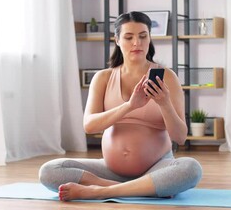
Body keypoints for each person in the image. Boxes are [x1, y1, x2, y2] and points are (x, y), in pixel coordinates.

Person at [39, 11, 202, 201]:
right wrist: (130, 106)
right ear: (116, 39)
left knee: (191, 169)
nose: (137, 43)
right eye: (129, 37)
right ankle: (138, 189)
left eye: (143, 36)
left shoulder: (167, 77)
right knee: (50, 171)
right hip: (109, 171)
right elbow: (89, 126)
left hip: (157, 168)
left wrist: (164, 103)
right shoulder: (103, 78)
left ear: (150, 38)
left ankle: (101, 191)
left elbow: (180, 137)